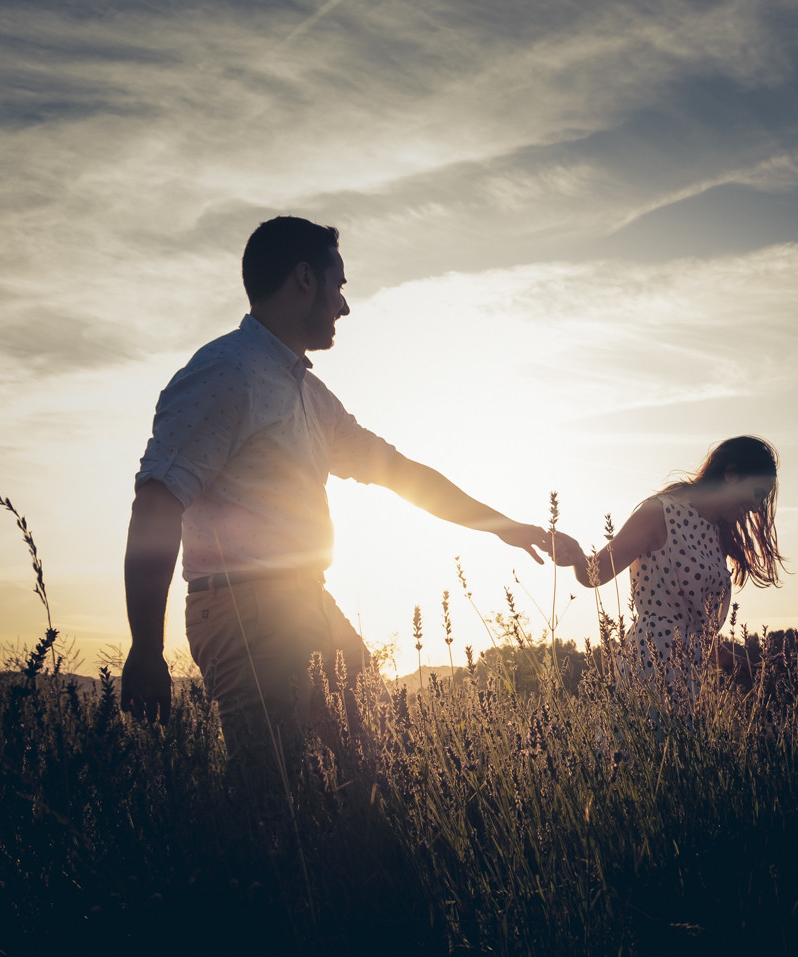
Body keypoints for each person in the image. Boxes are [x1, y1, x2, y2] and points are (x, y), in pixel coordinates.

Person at [120, 215, 557, 761]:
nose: (344, 307)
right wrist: (145, 647)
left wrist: (504, 527)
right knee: (275, 802)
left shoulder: (308, 395)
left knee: (376, 768)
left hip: (308, 602)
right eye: (339, 286)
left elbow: (398, 471)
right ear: (305, 278)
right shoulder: (226, 373)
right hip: (246, 612)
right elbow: (158, 502)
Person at [566, 436, 784, 693]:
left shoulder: (716, 533)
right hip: (650, 665)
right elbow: (596, 574)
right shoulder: (660, 513)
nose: (757, 506)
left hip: (691, 671)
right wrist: (577, 556)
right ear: (731, 475)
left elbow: (694, 623)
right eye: (757, 493)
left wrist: (727, 659)